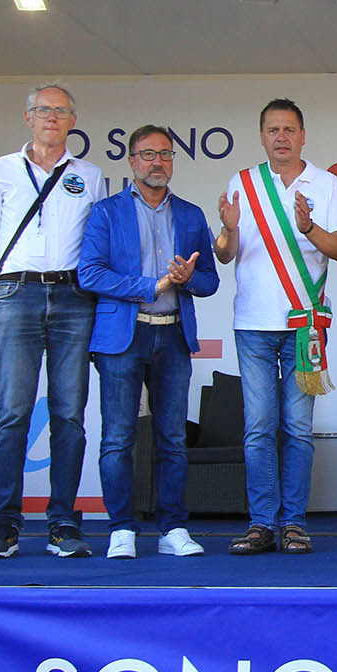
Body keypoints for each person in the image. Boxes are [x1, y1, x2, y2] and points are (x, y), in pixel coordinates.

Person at [0, 83, 106, 560]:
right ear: (27, 117)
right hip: (15, 293)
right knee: (13, 412)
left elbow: (96, 244)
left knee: (70, 416)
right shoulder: (1, 171)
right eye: (42, 110)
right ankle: (3, 524)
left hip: (74, 296)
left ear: (73, 120)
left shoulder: (90, 175)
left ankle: (62, 523)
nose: (51, 117)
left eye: (60, 111)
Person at [215, 98, 337, 555]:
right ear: (261, 136)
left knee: (297, 427)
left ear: (302, 135)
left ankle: (293, 523)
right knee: (258, 428)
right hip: (252, 323)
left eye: (289, 129)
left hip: (305, 324)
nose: (281, 137)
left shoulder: (328, 184)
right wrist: (228, 230)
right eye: (273, 129)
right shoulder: (244, 182)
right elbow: (224, 254)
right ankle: (261, 523)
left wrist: (308, 226)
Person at [77, 125, 219, 559]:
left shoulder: (191, 215)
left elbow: (210, 281)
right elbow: (90, 274)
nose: (158, 162)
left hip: (173, 334)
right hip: (123, 334)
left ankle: (172, 528)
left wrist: (186, 278)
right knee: (118, 437)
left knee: (172, 438)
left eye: (165, 155)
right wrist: (151, 284)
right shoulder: (106, 212)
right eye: (148, 154)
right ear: (131, 160)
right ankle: (121, 527)